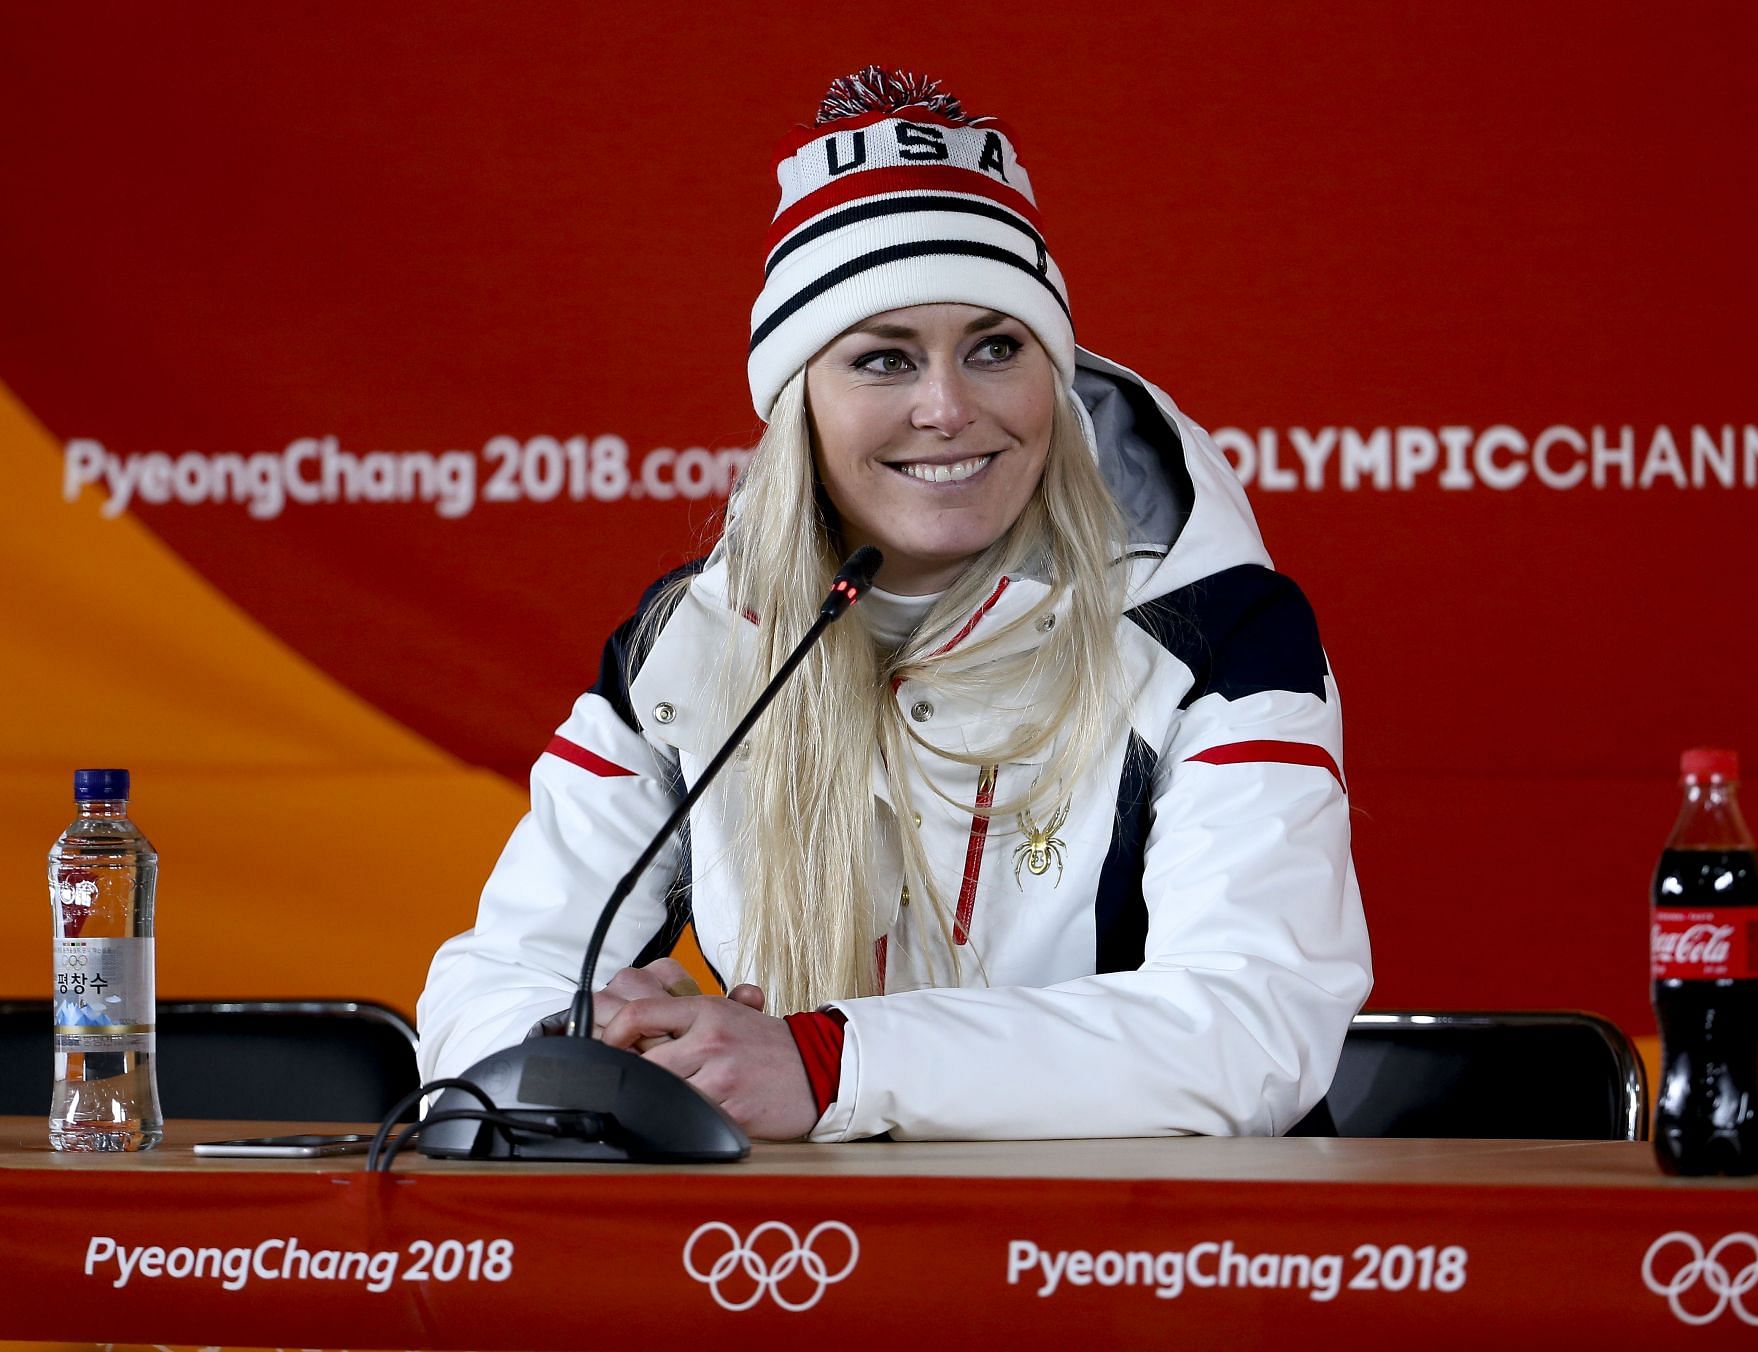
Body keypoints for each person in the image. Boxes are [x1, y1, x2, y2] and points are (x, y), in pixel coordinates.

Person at [418, 67, 1371, 1142]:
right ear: (800, 407)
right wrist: (592, 1044)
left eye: (995, 347)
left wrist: (833, 1064)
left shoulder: (1215, 626)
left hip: (1141, 1277)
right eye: (883, 358)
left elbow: (1252, 1030)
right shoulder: (688, 646)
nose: (948, 407)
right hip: (802, 1277)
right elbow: (487, 987)